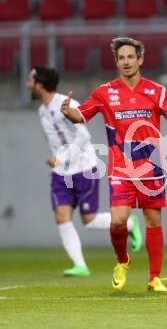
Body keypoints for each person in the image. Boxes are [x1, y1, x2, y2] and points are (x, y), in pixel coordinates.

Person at [60, 37, 167, 292]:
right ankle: (122, 261)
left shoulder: (157, 91)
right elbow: (81, 116)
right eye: (122, 58)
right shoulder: (105, 93)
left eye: (131, 57)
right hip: (121, 167)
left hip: (151, 168)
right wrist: (68, 111)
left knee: (153, 220)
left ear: (140, 60)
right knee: (119, 220)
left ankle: (154, 278)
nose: (126, 62)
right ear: (117, 62)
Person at [26, 66, 142, 277]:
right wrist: (59, 164)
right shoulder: (42, 110)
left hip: (84, 167)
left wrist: (61, 158)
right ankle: (80, 265)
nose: (27, 85)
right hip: (61, 173)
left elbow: (83, 136)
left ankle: (131, 223)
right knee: (61, 216)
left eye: (30, 81)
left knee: (88, 220)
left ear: (40, 84)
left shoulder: (65, 105)